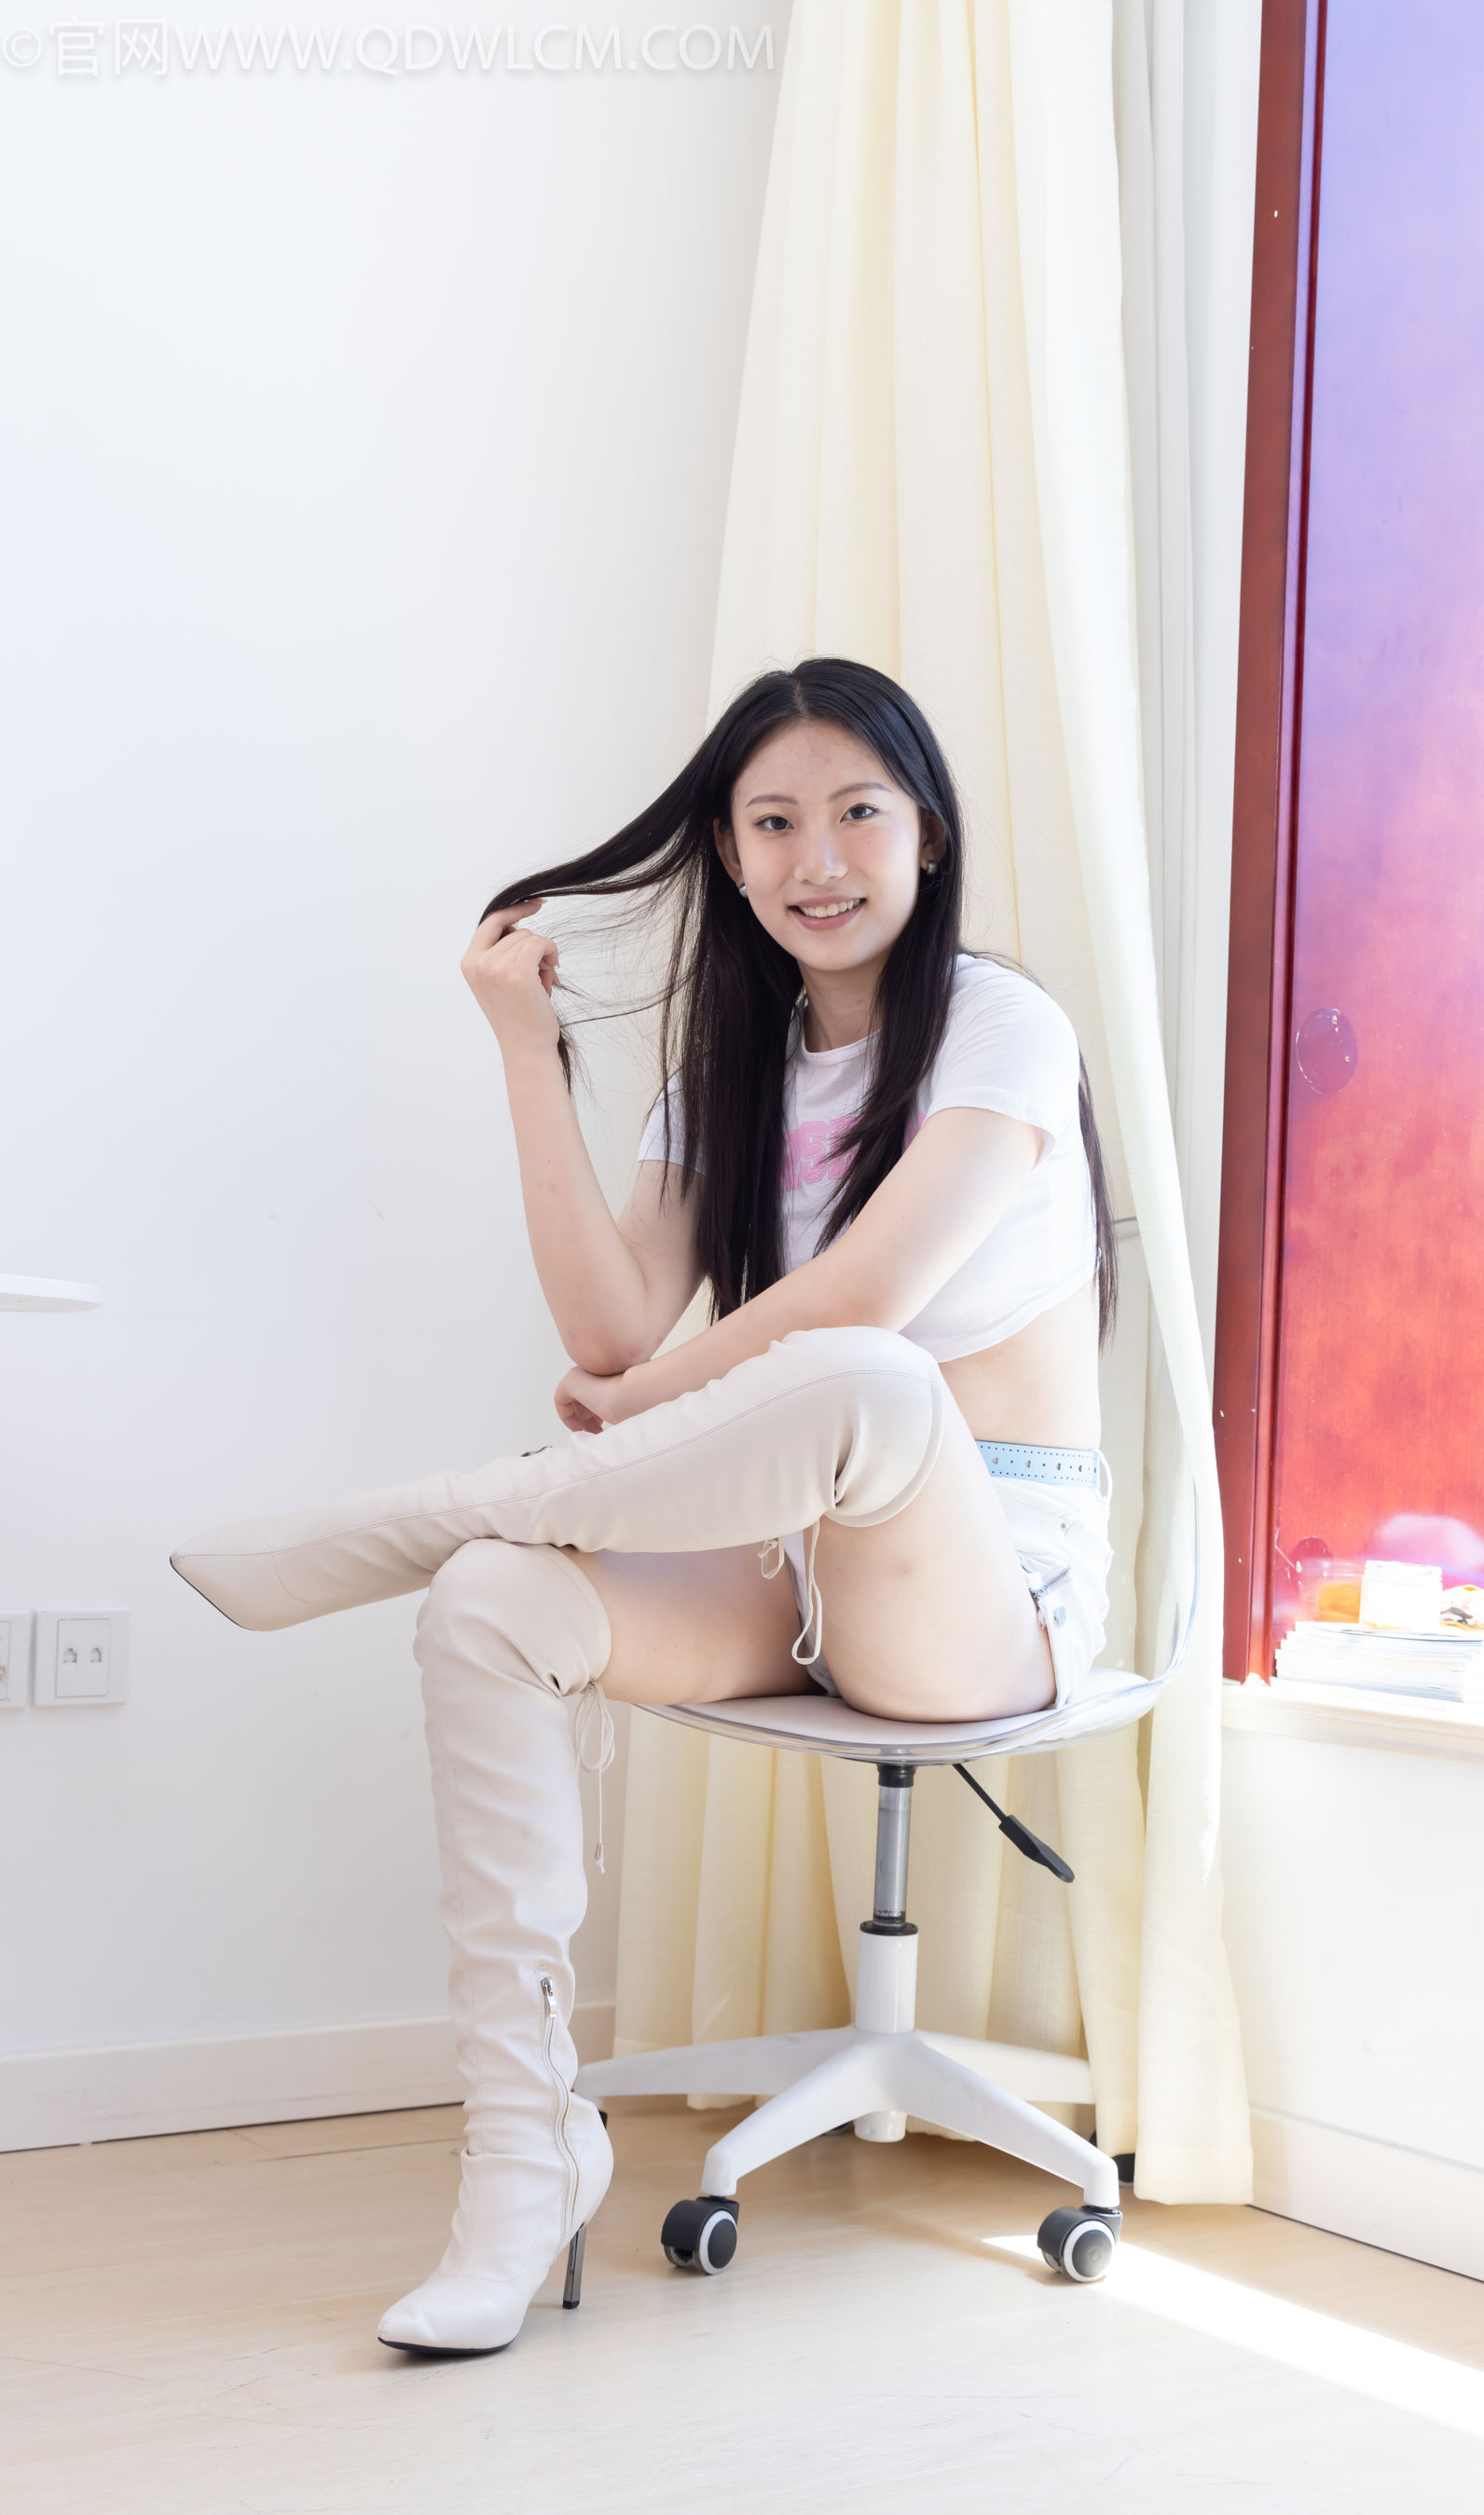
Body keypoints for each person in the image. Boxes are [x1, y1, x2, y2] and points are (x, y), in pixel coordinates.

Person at [172, 656, 1119, 2357]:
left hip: (985, 1581)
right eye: (773, 822)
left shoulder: (1003, 1028)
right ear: (731, 859)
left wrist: (646, 1404)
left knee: (872, 1372)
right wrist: (521, 1046)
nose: (816, 857)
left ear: (927, 832)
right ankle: (525, 2157)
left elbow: (868, 1295)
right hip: (783, 1545)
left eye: (857, 812)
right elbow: (613, 1332)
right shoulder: (735, 1069)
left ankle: (446, 1505)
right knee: (487, 1601)